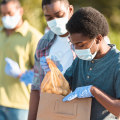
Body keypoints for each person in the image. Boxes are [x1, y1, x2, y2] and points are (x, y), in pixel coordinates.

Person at [40, 7, 120, 120]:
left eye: (81, 45)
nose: (77, 49)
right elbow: (62, 90)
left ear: (98, 38)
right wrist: (55, 71)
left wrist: (93, 91)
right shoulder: (80, 60)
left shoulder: (117, 63)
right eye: (73, 45)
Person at [28, 0, 74, 119]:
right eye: (49, 17)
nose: (55, 21)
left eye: (59, 15)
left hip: (79, 106)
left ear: (70, 10)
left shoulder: (86, 37)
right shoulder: (44, 43)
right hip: (52, 108)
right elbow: (36, 86)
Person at [0, 0, 43, 120]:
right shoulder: (0, 33)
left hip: (21, 104)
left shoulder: (34, 37)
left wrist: (21, 74)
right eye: (3, 14)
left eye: (9, 13)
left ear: (20, 11)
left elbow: (42, 70)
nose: (6, 17)